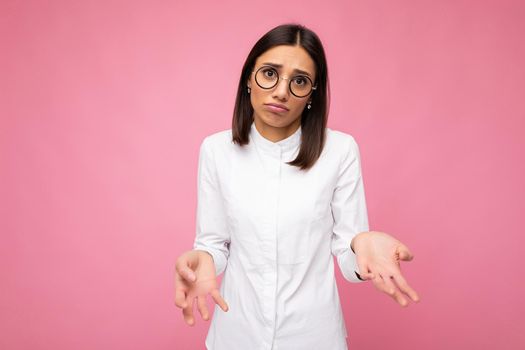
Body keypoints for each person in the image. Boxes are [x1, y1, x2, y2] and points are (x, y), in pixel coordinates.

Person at [174, 23, 420, 349]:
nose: (281, 91)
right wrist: (201, 258)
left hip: (314, 336)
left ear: (312, 93)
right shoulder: (216, 150)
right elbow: (214, 245)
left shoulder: (340, 151)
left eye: (300, 81)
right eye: (269, 73)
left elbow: (348, 260)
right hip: (237, 334)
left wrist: (363, 244)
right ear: (249, 78)